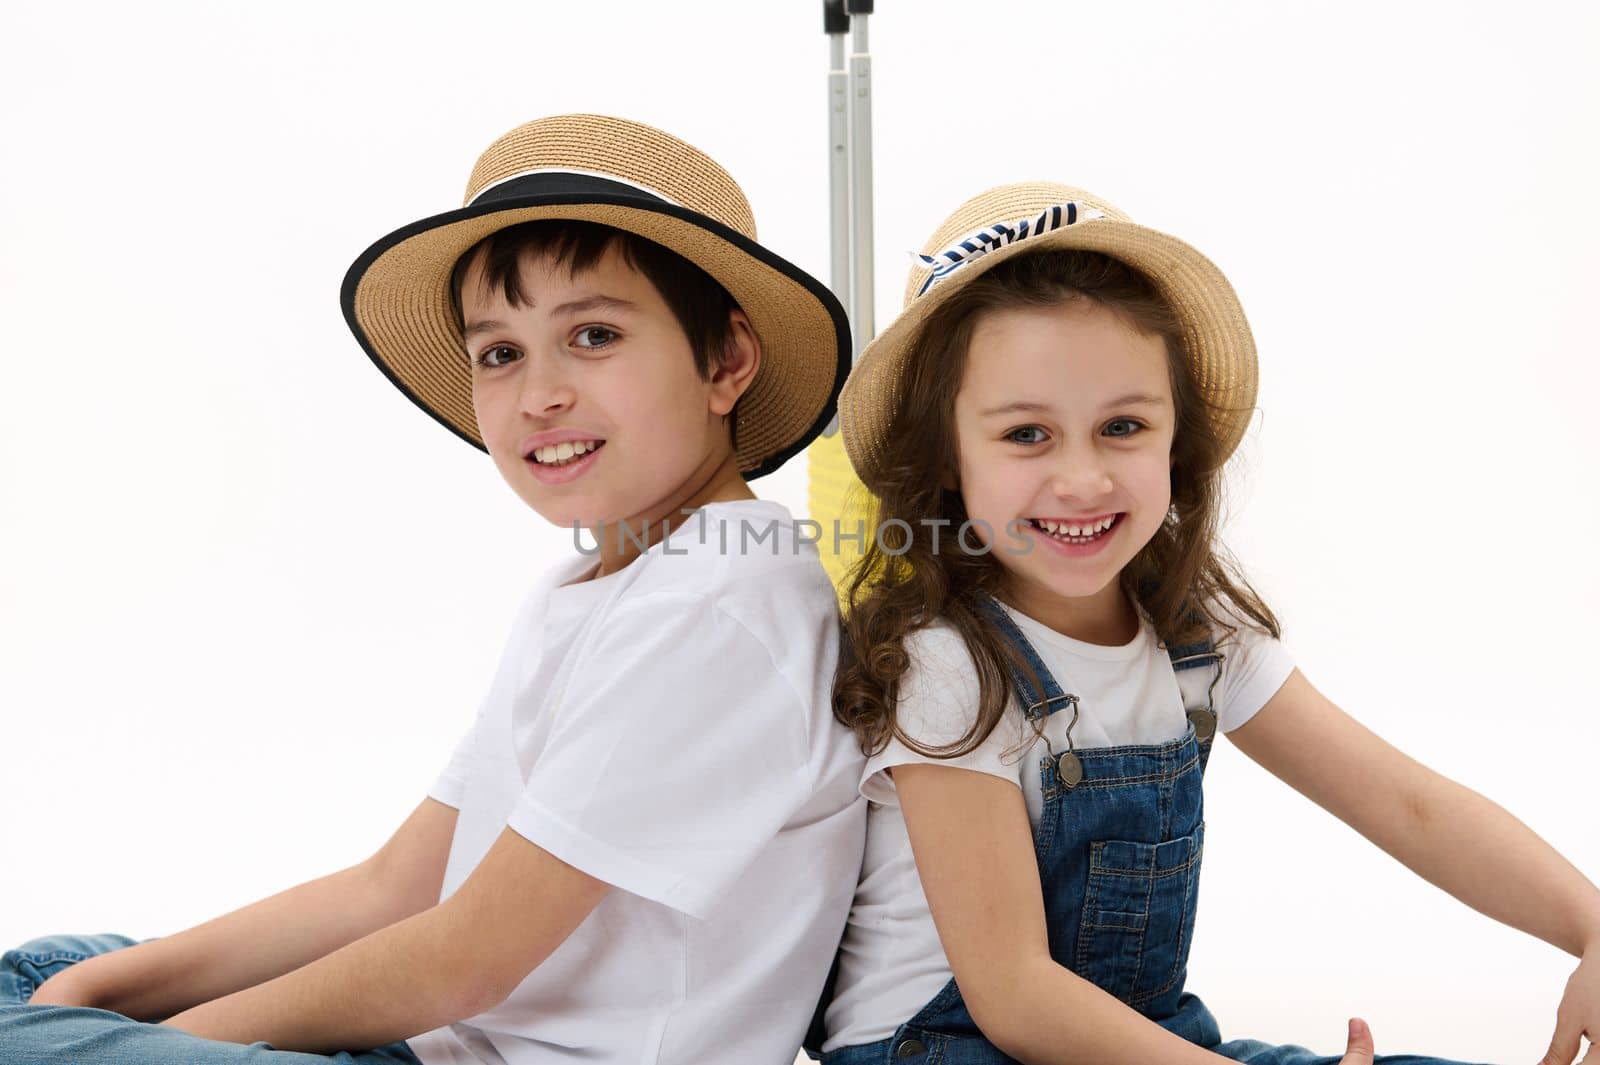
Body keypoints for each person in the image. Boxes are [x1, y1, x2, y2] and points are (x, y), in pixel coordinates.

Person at [0, 114, 867, 1065]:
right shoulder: (587, 585)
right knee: (42, 971)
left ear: (726, 362)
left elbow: (466, 960)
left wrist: (108, 1042)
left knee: (28, 1027)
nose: (539, 395)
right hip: (451, 1041)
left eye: (592, 334)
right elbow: (393, 889)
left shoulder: (724, 594)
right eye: (499, 353)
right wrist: (100, 999)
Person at [809, 181, 1600, 1065]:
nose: (1081, 477)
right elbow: (1014, 994)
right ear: (947, 457)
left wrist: (1593, 928)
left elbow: (1410, 806)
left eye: (1122, 426)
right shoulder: (950, 663)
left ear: (1176, 441)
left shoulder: (1193, 635)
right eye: (1027, 434)